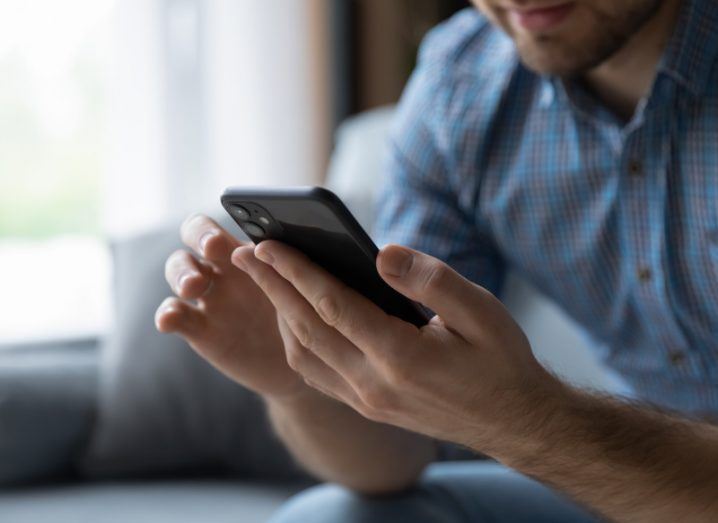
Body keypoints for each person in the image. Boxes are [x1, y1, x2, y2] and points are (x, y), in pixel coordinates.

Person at [155, 0, 718, 520]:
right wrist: (305, 373)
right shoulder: (462, 84)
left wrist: (528, 420)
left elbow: (528, 428)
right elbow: (392, 458)